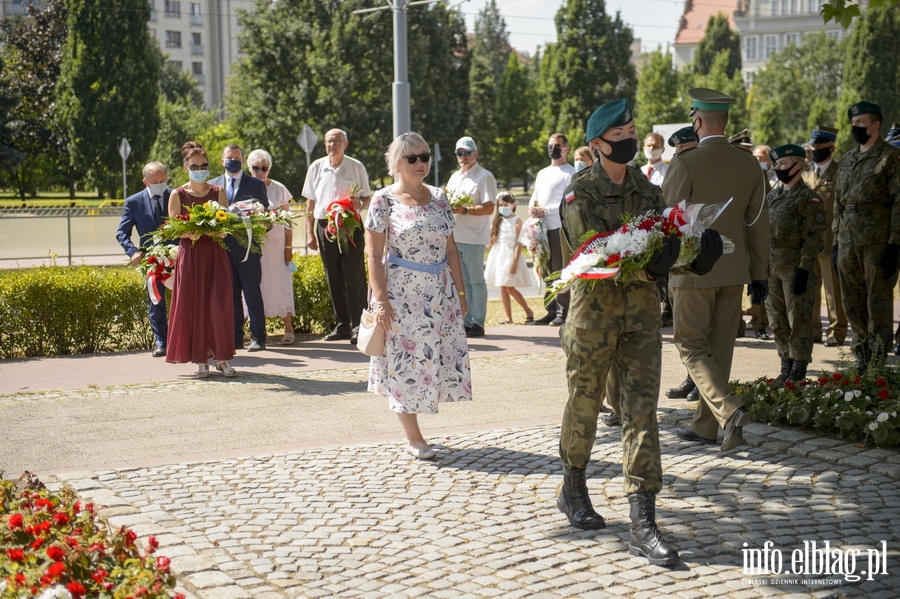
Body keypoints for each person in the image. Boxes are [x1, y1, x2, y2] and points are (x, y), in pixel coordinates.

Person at [556, 99, 724, 566]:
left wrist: (695, 255)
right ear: (598, 144)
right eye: (622, 132)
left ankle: (643, 520)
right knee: (585, 407)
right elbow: (596, 258)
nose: (630, 138)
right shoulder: (578, 193)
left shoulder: (647, 191)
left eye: (632, 130)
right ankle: (572, 487)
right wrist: (655, 267)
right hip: (592, 323)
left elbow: (662, 243)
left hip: (641, 323)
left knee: (641, 414)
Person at [661, 88, 769, 452]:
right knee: (720, 348)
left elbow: (668, 218)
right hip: (735, 268)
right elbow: (757, 222)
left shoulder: (686, 162)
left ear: (698, 120)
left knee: (691, 344)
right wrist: (760, 272)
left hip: (693, 269)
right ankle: (707, 427)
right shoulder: (749, 163)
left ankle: (729, 409)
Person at [364, 132, 472, 460]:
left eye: (424, 156)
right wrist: (380, 300)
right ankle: (414, 438)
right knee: (403, 362)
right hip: (401, 296)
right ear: (396, 163)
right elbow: (373, 255)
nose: (420, 163)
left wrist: (461, 291)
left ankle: (419, 429)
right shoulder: (383, 200)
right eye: (412, 158)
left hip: (439, 293)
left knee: (433, 359)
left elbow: (451, 248)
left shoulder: (440, 197)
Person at [833, 101, 900, 371]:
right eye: (853, 122)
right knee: (852, 300)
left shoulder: (890, 157)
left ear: (875, 125)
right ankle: (861, 354)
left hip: (877, 241)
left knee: (878, 300)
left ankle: (878, 358)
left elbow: (898, 202)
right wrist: (836, 241)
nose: (855, 127)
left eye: (860, 122)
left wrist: (895, 243)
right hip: (848, 240)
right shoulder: (848, 159)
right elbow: (838, 204)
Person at [166, 142, 236, 378]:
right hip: (192, 255)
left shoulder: (219, 192)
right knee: (195, 305)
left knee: (219, 305)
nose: (200, 168)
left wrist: (216, 230)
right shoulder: (177, 194)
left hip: (215, 253)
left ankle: (222, 358)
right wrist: (191, 232)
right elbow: (173, 229)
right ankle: (201, 361)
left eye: (204, 165)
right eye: (194, 165)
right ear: (185, 167)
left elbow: (225, 227)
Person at [302, 128, 372, 345]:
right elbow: (310, 203)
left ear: (345, 144)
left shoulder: (356, 166)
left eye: (337, 141)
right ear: (325, 144)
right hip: (325, 225)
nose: (332, 145)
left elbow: (366, 197)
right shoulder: (316, 167)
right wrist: (309, 233)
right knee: (333, 276)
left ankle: (358, 325)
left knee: (355, 275)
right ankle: (342, 324)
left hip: (350, 223)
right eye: (329, 141)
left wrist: (360, 204)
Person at [765, 144, 826, 383]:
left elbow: (814, 236)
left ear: (798, 165)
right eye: (777, 164)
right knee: (777, 320)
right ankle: (785, 364)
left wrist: (804, 267)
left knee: (798, 320)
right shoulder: (773, 195)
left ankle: (799, 366)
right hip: (771, 266)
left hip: (795, 268)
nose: (778, 168)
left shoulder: (808, 198)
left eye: (783, 164)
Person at [209, 144, 269, 352]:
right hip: (222, 249)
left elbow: (265, 216)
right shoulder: (212, 185)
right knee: (230, 295)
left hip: (248, 250)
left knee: (252, 294)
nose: (232, 161)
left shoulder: (255, 184)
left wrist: (257, 222)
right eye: (229, 157)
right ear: (222, 160)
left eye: (237, 158)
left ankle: (258, 337)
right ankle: (235, 337)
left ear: (243, 161)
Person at [116, 161, 171, 358]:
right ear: (145, 181)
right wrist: (132, 251)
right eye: (154, 181)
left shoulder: (175, 196)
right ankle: (161, 342)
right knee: (156, 301)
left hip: (176, 256)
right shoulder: (134, 202)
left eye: (162, 180)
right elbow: (122, 233)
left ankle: (182, 338)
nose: (159, 184)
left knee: (182, 300)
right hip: (151, 260)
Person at [664, 126, 701, 402]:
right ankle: (692, 377)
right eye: (676, 151)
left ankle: (702, 381)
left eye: (683, 149)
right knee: (682, 325)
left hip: (701, 256)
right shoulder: (677, 168)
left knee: (699, 324)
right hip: (678, 255)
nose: (679, 155)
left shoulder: (705, 169)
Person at [447, 136, 497, 338]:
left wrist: (465, 210)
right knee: (463, 282)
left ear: (475, 153)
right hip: (455, 236)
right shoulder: (455, 177)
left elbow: (489, 207)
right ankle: (466, 320)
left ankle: (478, 322)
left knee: (476, 281)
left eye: (467, 152)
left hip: (474, 237)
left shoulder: (485, 176)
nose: (463, 156)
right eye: (460, 153)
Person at [803, 125, 847, 348]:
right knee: (811, 288)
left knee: (833, 290)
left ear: (832, 148)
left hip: (831, 240)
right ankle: (813, 331)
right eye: (813, 145)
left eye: (820, 146)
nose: (815, 149)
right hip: (809, 243)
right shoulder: (806, 173)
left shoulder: (840, 173)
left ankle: (836, 331)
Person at [247, 149, 296, 344]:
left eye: (264, 168)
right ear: (249, 168)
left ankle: (288, 328)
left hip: (276, 245)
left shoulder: (279, 188)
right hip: (254, 244)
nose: (260, 172)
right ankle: (257, 331)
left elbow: (289, 221)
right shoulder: (245, 188)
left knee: (280, 282)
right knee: (255, 286)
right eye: (256, 168)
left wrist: (289, 248)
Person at [528, 133, 576, 326]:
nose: (552, 149)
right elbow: (536, 195)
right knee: (546, 268)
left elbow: (568, 203)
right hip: (542, 229)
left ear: (566, 148)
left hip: (558, 228)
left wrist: (546, 210)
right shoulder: (543, 173)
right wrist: (533, 207)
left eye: (556, 145)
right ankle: (551, 309)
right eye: (550, 145)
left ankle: (563, 311)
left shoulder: (570, 173)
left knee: (559, 269)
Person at [733, 135, 771, 341]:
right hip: (733, 233)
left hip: (751, 230)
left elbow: (765, 201)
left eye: (748, 151)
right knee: (733, 282)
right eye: (741, 150)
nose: (746, 154)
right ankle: (736, 324)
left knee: (757, 276)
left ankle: (759, 324)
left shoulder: (758, 171)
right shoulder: (725, 170)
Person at [484, 191, 535, 324]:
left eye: (505, 204)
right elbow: (491, 239)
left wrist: (514, 262)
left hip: (511, 256)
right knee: (503, 286)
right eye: (500, 205)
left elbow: (519, 243)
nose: (503, 207)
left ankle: (528, 311)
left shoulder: (517, 220)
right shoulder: (498, 221)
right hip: (499, 255)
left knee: (509, 287)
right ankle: (508, 317)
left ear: (513, 204)